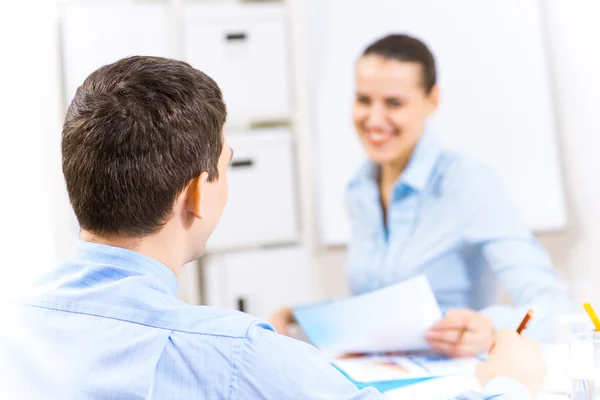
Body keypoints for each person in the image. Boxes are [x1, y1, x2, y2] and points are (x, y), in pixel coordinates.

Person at [0, 56, 546, 399]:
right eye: (227, 164)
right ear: (197, 192)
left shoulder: (15, 323)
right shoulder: (239, 355)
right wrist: (510, 385)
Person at [271, 34, 572, 357]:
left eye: (394, 103)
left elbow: (552, 306)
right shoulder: (359, 189)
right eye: (363, 100)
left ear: (432, 100)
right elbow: (383, 309)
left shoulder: (469, 184)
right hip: (377, 380)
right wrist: (300, 317)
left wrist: (491, 328)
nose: (373, 119)